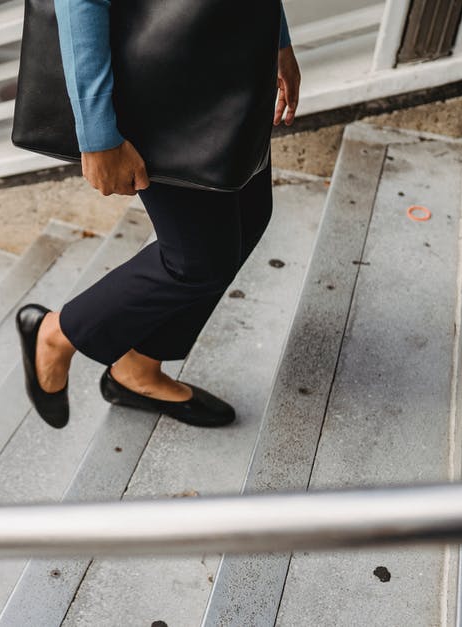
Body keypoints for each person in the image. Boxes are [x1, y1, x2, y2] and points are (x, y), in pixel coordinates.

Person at [16, 0, 301, 429]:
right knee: (196, 261)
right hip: (158, 80)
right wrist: (97, 134)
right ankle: (57, 334)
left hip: (228, 57)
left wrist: (275, 40)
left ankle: (137, 371)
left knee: (250, 215)